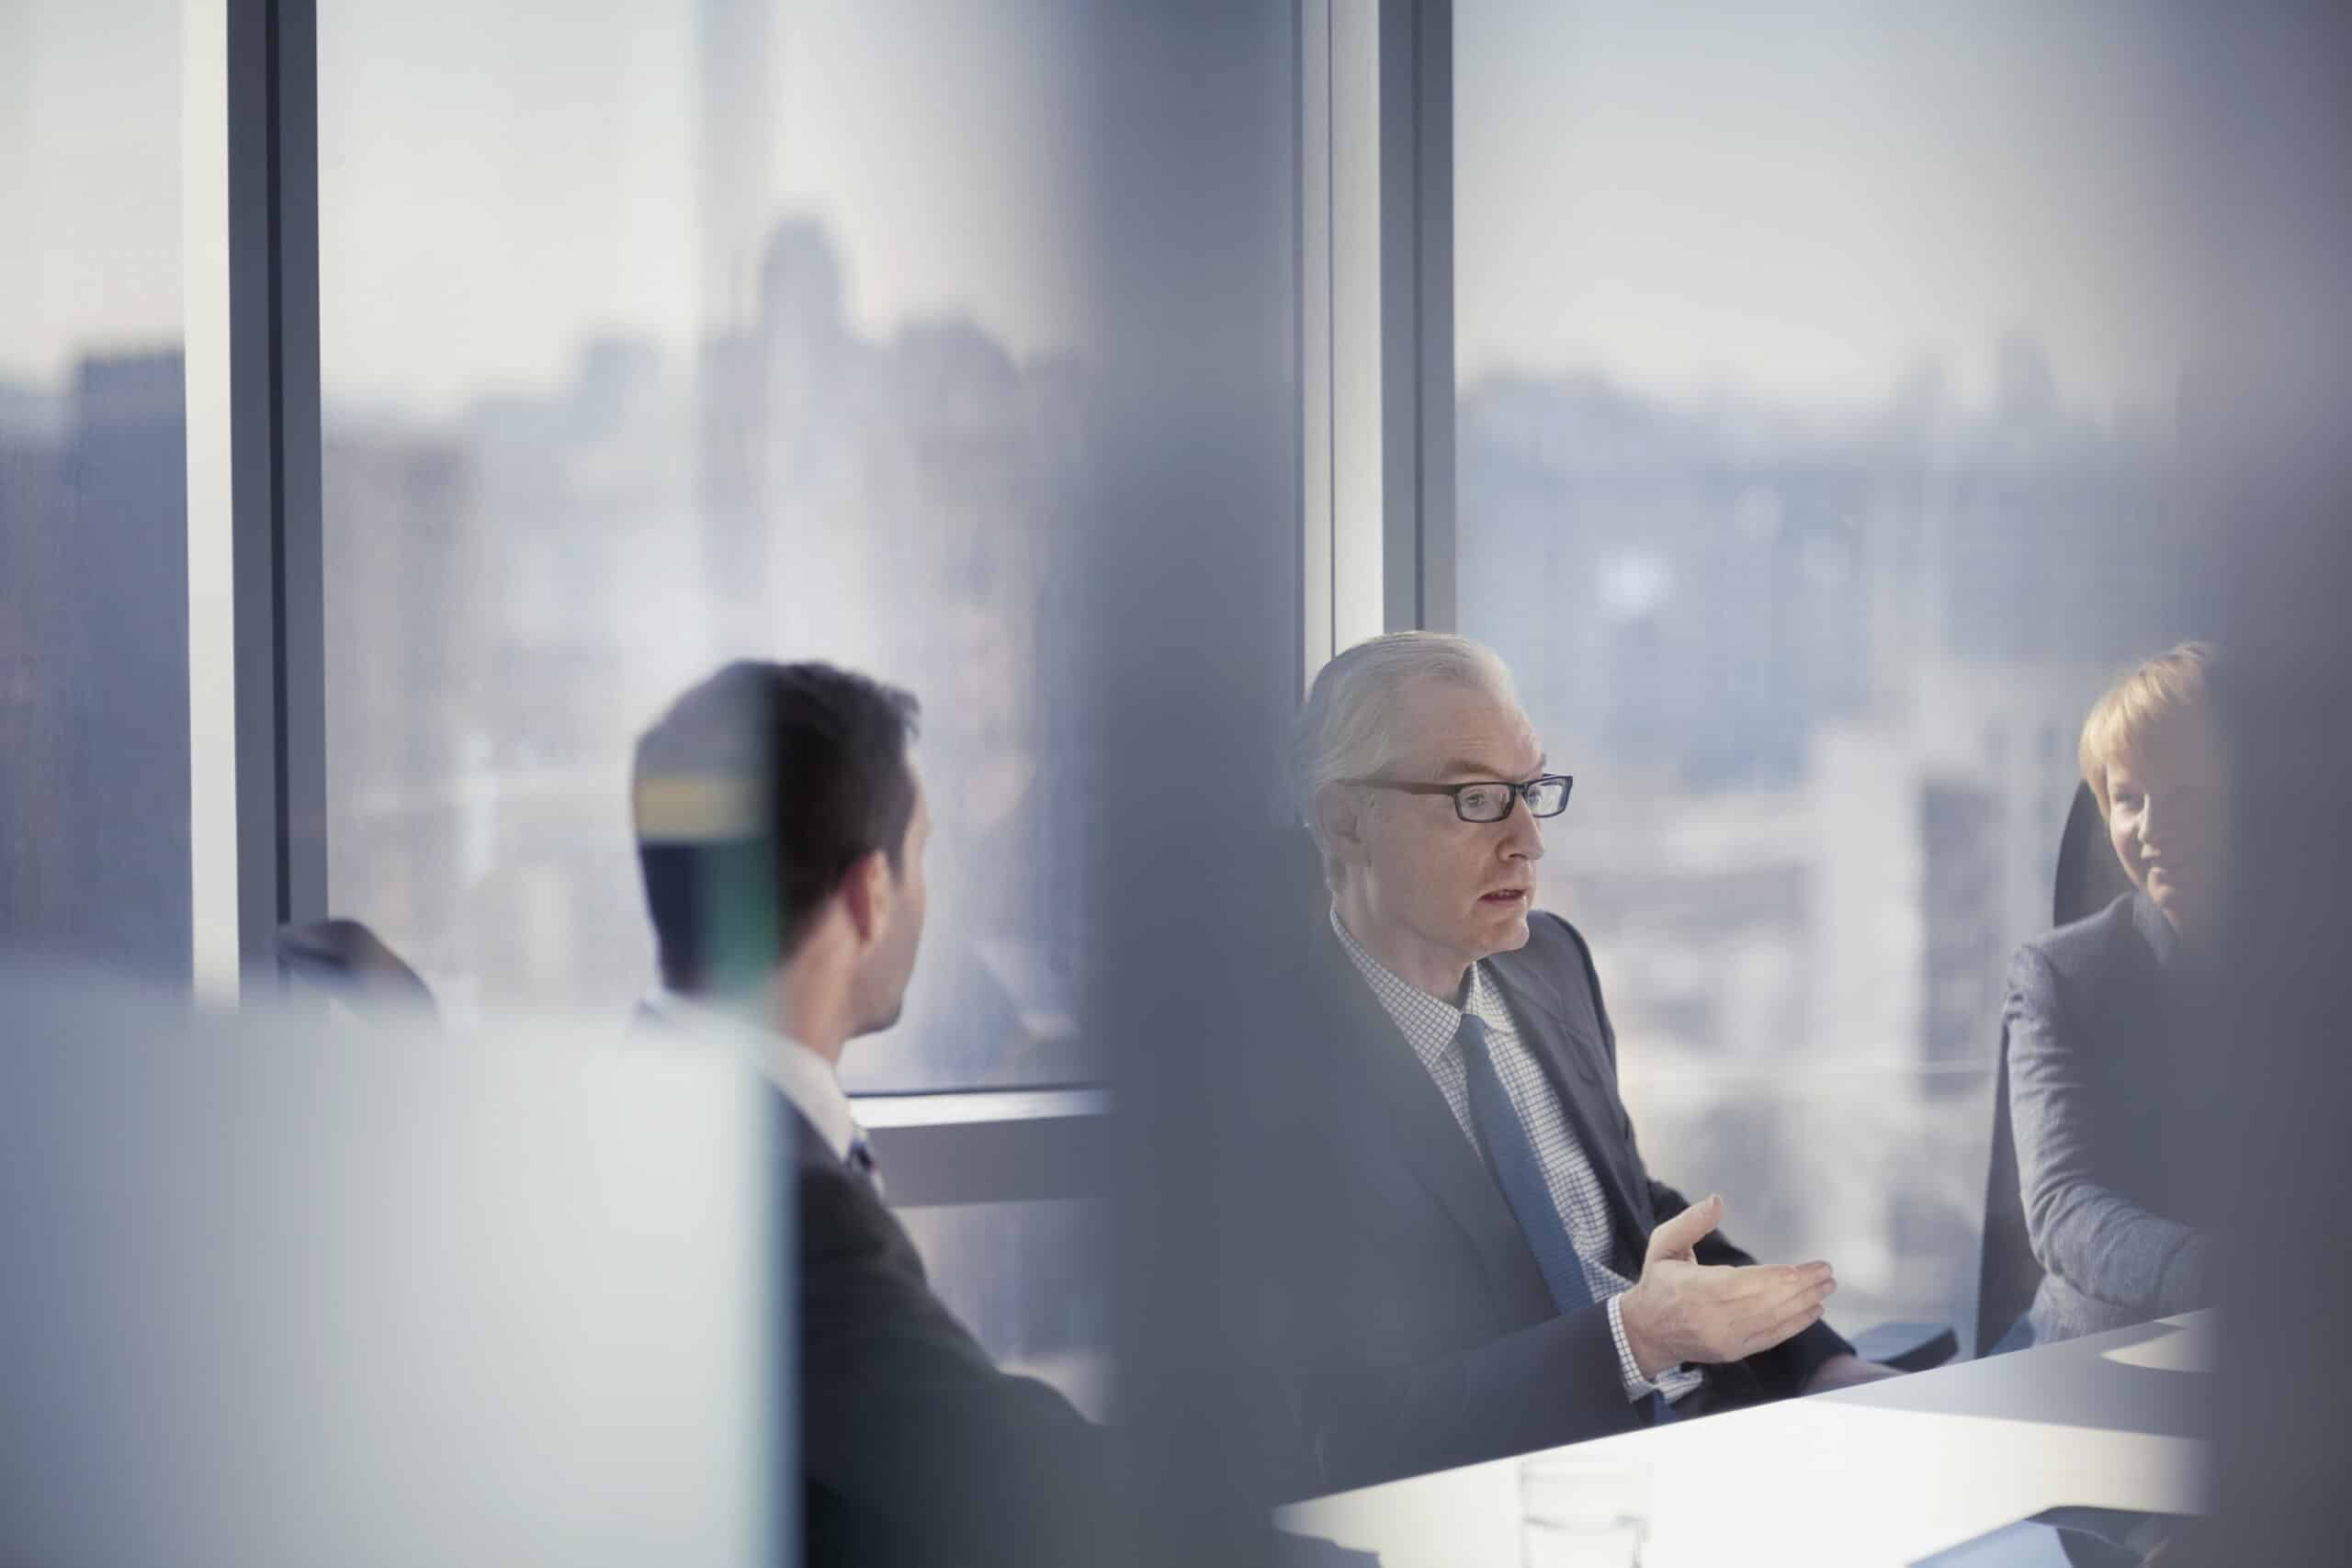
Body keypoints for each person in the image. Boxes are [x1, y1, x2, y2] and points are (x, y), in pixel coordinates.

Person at [1271, 632, 1896, 1494]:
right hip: (1516, 1509)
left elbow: (1629, 1211)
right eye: (1478, 797)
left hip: (1712, 1447)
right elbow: (1360, 1432)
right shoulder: (1275, 1081)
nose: (1529, 841)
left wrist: (1822, 1367)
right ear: (1346, 821)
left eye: (1530, 790)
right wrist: (1631, 1341)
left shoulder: (1550, 961)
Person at [629, 660, 1113, 1567]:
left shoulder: (627, 1115)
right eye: (921, 855)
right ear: (869, 895)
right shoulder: (777, 1202)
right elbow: (1015, 1479)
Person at [1998, 642, 2225, 1349]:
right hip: (2100, 1356)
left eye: (2185, 794)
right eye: (2128, 798)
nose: (2152, 828)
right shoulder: (2059, 976)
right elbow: (2064, 1205)